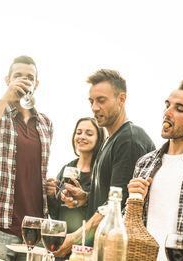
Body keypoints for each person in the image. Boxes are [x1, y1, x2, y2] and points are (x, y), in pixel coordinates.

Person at [55, 69, 155, 257]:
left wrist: (74, 238)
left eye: (101, 100)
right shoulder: (109, 140)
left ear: (121, 99)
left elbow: (117, 205)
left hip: (117, 253)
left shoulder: (129, 140)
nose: (94, 108)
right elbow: (109, 197)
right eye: (91, 101)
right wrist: (86, 197)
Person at [0, 55, 53, 261]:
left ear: (36, 84)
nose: (23, 80)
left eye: (29, 77)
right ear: (7, 80)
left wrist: (49, 186)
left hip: (34, 233)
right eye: (17, 76)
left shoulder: (45, 123)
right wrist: (4, 100)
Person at [127, 79, 183, 260]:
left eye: (179, 109)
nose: (167, 113)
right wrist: (132, 201)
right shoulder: (144, 163)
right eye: (167, 105)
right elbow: (130, 228)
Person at [46, 117, 105, 235]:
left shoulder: (101, 171)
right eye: (79, 133)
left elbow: (103, 210)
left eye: (89, 134)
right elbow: (55, 214)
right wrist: (51, 195)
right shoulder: (67, 168)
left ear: (98, 139)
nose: (82, 136)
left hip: (85, 240)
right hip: (61, 238)